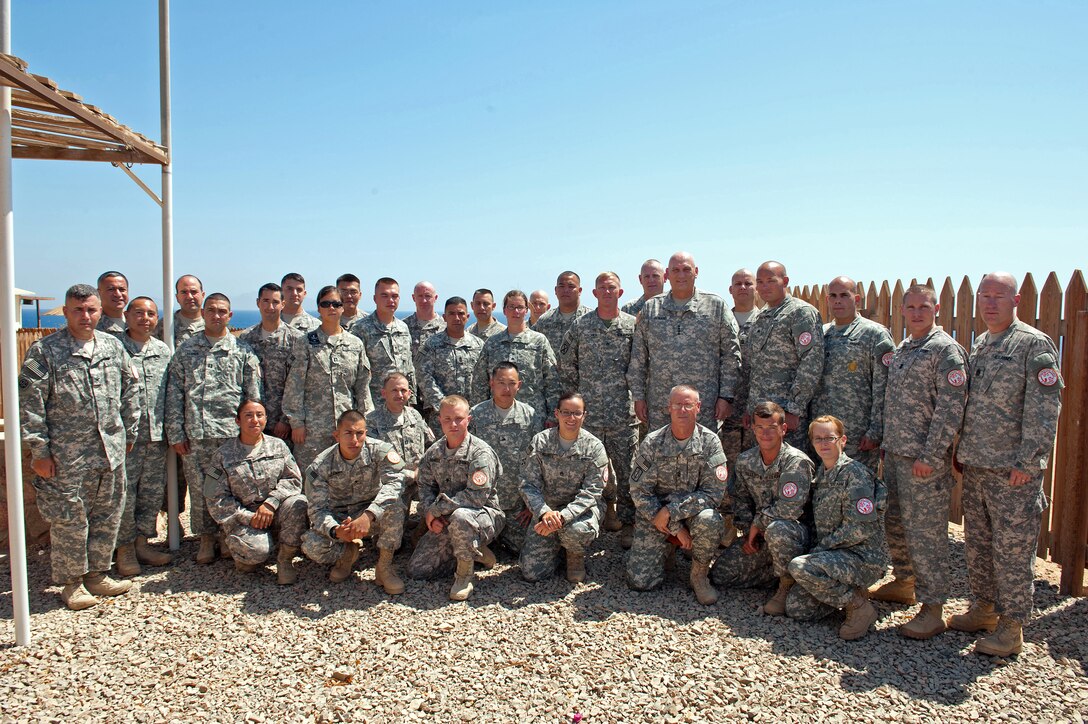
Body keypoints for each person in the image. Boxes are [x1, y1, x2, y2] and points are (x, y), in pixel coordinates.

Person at [949, 272, 1063, 657]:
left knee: (1012, 552)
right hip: (978, 466)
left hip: (1013, 471)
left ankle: (1012, 627)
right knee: (978, 546)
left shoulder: (1033, 344)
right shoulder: (981, 343)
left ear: (1016, 301)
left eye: (999, 296)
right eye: (985, 296)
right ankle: (984, 608)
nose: (991, 303)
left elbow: (1045, 409)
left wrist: (1029, 462)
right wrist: (962, 451)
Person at [20, 284, 139, 610]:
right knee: (70, 519)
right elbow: (30, 405)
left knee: (107, 514)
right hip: (67, 456)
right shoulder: (44, 351)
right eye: (78, 310)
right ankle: (71, 582)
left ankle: (97, 574)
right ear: (66, 311)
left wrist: (129, 434)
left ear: (100, 311)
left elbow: (131, 391)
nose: (85, 316)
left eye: (91, 310)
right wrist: (39, 451)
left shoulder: (113, 348)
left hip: (109, 451)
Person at [870, 284, 967, 640]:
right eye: (909, 307)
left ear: (936, 308)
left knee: (926, 535)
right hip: (896, 454)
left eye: (922, 307)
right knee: (896, 523)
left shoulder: (945, 352)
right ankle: (905, 581)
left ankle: (933, 608)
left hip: (924, 461)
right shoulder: (905, 348)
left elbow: (950, 410)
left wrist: (930, 455)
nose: (915, 313)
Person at [166, 293, 263, 564]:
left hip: (233, 434)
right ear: (204, 313)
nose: (217, 315)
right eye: (212, 310)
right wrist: (176, 433)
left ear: (230, 316)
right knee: (201, 488)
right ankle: (206, 538)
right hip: (197, 434)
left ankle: (227, 535)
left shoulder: (243, 351)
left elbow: (253, 395)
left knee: (234, 488)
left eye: (222, 311)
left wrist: (253, 430)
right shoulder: (187, 350)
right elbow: (174, 393)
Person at [785, 416, 886, 640]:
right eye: (818, 438)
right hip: (833, 557)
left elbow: (860, 528)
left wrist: (821, 549)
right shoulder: (822, 474)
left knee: (801, 567)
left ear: (842, 440)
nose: (824, 443)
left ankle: (859, 607)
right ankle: (850, 590)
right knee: (797, 609)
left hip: (861, 557)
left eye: (829, 438)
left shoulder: (855, 474)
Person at [627, 386, 727, 606]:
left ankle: (699, 575)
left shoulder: (710, 442)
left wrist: (672, 512)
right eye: (677, 405)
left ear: (698, 408)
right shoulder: (653, 442)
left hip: (691, 512)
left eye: (688, 404)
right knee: (641, 582)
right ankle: (668, 547)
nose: (682, 409)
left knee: (711, 520)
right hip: (655, 514)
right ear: (668, 408)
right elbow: (639, 489)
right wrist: (674, 526)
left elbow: (714, 493)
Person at [711, 402, 814, 614]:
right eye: (760, 427)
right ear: (753, 429)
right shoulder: (745, 461)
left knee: (778, 529)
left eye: (771, 427)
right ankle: (780, 571)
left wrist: (758, 524)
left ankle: (785, 586)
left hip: (795, 536)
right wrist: (750, 532)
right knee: (721, 574)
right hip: (761, 537)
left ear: (783, 430)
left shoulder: (796, 462)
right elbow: (740, 500)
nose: (765, 433)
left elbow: (790, 510)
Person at [559, 271, 638, 546]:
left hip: (622, 414)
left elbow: (640, 366)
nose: (607, 292)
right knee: (587, 470)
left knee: (627, 470)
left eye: (612, 287)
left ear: (620, 292)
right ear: (594, 294)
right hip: (588, 415)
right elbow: (567, 366)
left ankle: (628, 522)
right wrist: (576, 404)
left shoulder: (632, 326)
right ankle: (592, 518)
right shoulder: (581, 326)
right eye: (602, 288)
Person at [628, 251, 741, 432]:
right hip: (661, 405)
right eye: (676, 270)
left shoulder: (716, 306)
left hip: (703, 405)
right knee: (661, 455)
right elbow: (638, 357)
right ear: (667, 274)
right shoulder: (651, 308)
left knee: (703, 454)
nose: (681, 275)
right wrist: (639, 397)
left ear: (696, 272)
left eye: (686, 270)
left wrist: (726, 397)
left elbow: (731, 354)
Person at [407, 396, 504, 601]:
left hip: (484, 515)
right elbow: (425, 488)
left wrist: (437, 510)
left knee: (461, 517)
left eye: (458, 418)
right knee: (418, 571)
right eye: (447, 419)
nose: (453, 424)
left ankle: (464, 575)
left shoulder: (480, 453)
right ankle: (472, 549)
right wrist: (430, 515)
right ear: (439, 420)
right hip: (448, 520)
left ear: (468, 419)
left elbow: (476, 496)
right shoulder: (433, 453)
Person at [301, 409, 408, 592]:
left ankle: (384, 566)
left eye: (359, 433)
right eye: (348, 433)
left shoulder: (379, 451)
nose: (354, 439)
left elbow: (396, 482)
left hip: (370, 516)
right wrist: (335, 531)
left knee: (395, 506)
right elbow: (317, 510)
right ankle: (347, 553)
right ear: (337, 435)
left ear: (366, 433)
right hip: (340, 519)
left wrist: (369, 515)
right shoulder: (321, 465)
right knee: (311, 545)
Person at [206, 400, 308, 585]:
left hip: (274, 511)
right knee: (256, 555)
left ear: (266, 419)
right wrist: (248, 517)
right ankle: (242, 550)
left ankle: (285, 559)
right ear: (237, 421)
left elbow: (293, 479)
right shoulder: (221, 455)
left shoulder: (279, 446)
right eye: (248, 416)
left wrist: (271, 503)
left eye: (259, 415)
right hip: (243, 519)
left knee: (299, 502)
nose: (255, 420)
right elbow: (213, 496)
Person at [282, 286, 374, 472]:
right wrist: (297, 423)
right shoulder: (305, 343)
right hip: (313, 429)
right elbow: (295, 386)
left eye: (336, 304)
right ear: (319, 308)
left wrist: (364, 422)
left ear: (342, 308)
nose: (331, 308)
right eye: (326, 304)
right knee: (311, 477)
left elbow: (362, 386)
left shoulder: (355, 344)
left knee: (346, 475)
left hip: (347, 428)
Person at [520, 393, 608, 583]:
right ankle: (557, 547)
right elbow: (528, 484)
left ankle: (574, 554)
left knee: (577, 532)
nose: (571, 418)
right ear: (556, 414)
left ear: (584, 416)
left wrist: (562, 516)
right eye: (566, 412)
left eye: (577, 413)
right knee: (532, 573)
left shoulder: (594, 447)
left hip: (581, 511)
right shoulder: (540, 442)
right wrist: (544, 513)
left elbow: (593, 491)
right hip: (548, 510)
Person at [809, 276, 894, 473]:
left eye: (844, 295)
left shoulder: (874, 335)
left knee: (858, 491)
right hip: (823, 435)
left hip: (857, 435)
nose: (838, 300)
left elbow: (884, 386)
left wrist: (875, 431)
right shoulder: (821, 334)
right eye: (833, 296)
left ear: (856, 300)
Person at [114, 296, 173, 576]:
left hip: (157, 436)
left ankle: (142, 543)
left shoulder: (162, 350)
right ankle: (124, 550)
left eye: (151, 314)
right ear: (127, 315)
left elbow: (170, 394)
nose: (145, 318)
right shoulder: (114, 349)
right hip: (126, 439)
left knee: (150, 494)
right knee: (125, 494)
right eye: (139, 313)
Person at [745, 261, 824, 449]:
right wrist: (749, 408)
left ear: (785, 281)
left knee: (789, 468)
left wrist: (794, 409)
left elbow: (811, 362)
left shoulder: (800, 313)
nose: (764, 287)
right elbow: (753, 367)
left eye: (770, 281)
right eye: (760, 282)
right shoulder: (760, 317)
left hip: (785, 414)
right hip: (760, 414)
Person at [470, 362, 543, 553]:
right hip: (485, 502)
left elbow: (539, 461)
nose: (507, 388)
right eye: (501, 382)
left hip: (518, 504)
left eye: (512, 383)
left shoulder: (530, 415)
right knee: (468, 544)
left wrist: (532, 505)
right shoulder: (476, 414)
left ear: (519, 385)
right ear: (491, 383)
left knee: (524, 551)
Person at [473, 290, 560, 420]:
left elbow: (552, 381)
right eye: (511, 307)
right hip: (496, 417)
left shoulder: (539, 342)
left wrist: (552, 417)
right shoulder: (492, 343)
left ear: (526, 311)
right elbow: (480, 382)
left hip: (533, 416)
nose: (516, 311)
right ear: (504, 311)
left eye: (520, 307)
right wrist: (478, 414)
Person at [366, 372, 435, 533]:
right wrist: (408, 474)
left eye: (403, 390)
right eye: (394, 391)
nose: (399, 394)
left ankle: (423, 529)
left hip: (419, 478)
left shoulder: (415, 415)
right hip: (391, 482)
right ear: (384, 393)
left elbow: (431, 444)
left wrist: (426, 469)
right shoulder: (372, 420)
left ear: (410, 393)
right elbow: (372, 459)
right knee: (393, 536)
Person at [239, 283, 303, 439]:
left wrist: (286, 420)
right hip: (252, 421)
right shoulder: (246, 338)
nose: (270, 306)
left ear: (283, 304)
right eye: (266, 301)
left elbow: (297, 383)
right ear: (258, 303)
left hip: (282, 424)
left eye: (275, 302)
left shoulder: (296, 339)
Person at [417, 296, 484, 435]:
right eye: (451, 313)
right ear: (444, 317)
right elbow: (423, 376)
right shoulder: (432, 345)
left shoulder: (478, 345)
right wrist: (443, 406)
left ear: (467, 316)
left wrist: (477, 407)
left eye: (460, 313)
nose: (456, 318)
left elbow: (484, 378)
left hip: (472, 415)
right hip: (442, 418)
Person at [719, 268, 761, 464]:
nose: (743, 287)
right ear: (730, 289)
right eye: (738, 284)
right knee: (726, 464)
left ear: (756, 288)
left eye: (748, 283)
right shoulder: (720, 321)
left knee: (756, 463)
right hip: (725, 408)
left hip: (757, 409)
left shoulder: (767, 322)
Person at [351, 277, 416, 403]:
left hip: (401, 403)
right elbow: (356, 373)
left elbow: (409, 368)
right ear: (375, 299)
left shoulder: (403, 328)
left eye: (394, 296)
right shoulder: (360, 329)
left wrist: (411, 401)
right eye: (384, 295)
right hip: (374, 405)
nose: (390, 300)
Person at [533, 271, 590, 358]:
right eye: (561, 286)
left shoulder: (591, 319)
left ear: (579, 291)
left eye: (571, 286)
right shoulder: (544, 321)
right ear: (556, 290)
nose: (566, 290)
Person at [154, 274, 205, 345]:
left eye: (193, 292)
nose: (189, 297)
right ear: (177, 297)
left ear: (202, 295)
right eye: (184, 292)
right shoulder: (164, 326)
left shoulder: (213, 324)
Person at [404, 280, 446, 364]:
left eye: (428, 296)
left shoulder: (445, 327)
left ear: (435, 298)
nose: (424, 300)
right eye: (420, 296)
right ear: (413, 298)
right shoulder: (403, 327)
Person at [95, 271, 128, 337]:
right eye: (111, 289)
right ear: (98, 293)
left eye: (122, 289)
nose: (118, 294)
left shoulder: (139, 322)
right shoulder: (91, 325)